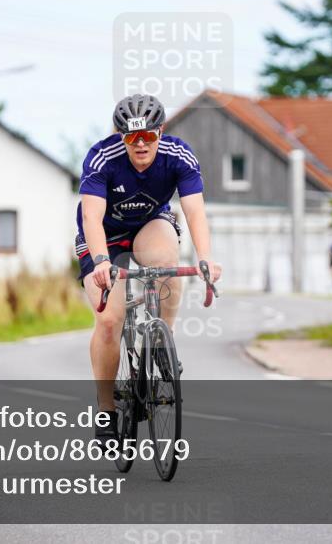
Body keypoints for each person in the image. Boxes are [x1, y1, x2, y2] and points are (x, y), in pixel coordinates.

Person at [74, 94, 222, 442]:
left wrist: (205, 257)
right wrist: (101, 262)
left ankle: (161, 341)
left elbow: (194, 210)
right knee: (109, 321)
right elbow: (91, 217)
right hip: (104, 237)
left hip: (149, 225)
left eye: (148, 136)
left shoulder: (178, 155)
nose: (140, 144)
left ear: (161, 131)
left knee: (167, 264)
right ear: (120, 136)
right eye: (131, 137)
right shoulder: (101, 157)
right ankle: (107, 410)